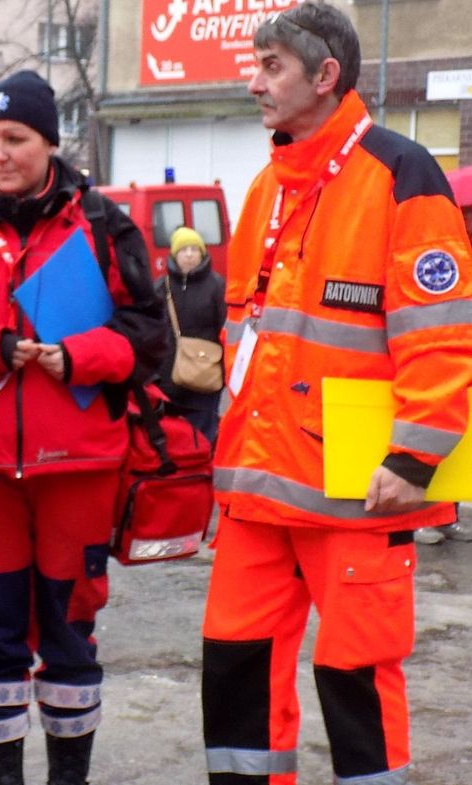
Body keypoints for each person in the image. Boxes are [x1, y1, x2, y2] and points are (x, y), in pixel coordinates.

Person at [201, 5, 472, 784]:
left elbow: (442, 333)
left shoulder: (399, 174)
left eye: (272, 65)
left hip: (361, 493)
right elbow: (243, 341)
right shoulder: (265, 190)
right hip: (257, 494)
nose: (253, 80)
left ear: (326, 77)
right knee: (235, 673)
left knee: (353, 680)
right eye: (253, 63)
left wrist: (416, 458)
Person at [0, 70, 166, 785]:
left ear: (49, 141)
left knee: (70, 634)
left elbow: (151, 341)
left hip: (77, 470)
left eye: (14, 138)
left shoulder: (106, 224)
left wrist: (79, 356)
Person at [156, 225, 226, 443]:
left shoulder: (216, 286)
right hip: (169, 377)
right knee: (174, 436)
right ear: (174, 254)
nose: (189, 254)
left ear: (202, 253)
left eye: (194, 249)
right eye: (183, 249)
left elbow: (225, 327)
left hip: (205, 375)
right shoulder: (161, 287)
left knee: (205, 435)